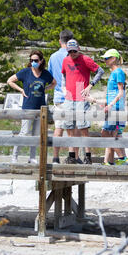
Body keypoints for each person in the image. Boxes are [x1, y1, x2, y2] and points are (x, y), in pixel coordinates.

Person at [7, 50, 56, 163]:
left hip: (41, 108)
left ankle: (32, 157)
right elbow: (10, 81)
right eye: (32, 60)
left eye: (36, 60)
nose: (33, 62)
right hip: (27, 107)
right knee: (24, 132)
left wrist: (46, 89)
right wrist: (21, 90)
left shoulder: (45, 73)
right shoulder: (25, 72)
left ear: (41, 61)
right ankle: (14, 156)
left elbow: (54, 82)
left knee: (36, 134)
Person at [61, 39, 104, 164]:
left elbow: (100, 71)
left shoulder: (85, 59)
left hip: (81, 92)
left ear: (78, 49)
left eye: (74, 51)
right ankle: (72, 156)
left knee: (83, 126)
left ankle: (88, 155)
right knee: (69, 126)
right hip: (69, 95)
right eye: (70, 51)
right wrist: (63, 88)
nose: (72, 53)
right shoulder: (66, 60)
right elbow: (63, 75)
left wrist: (90, 85)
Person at [99, 49, 128, 166]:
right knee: (113, 134)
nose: (105, 60)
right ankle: (109, 162)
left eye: (107, 58)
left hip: (116, 108)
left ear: (113, 59)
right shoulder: (113, 73)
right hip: (113, 107)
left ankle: (122, 158)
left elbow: (121, 92)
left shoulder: (118, 72)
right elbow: (112, 92)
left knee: (105, 133)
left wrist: (111, 104)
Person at [48, 29, 74, 164]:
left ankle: (55, 158)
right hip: (71, 96)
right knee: (71, 129)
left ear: (60, 41)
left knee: (58, 128)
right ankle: (72, 157)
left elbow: (50, 77)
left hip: (58, 96)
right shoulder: (74, 55)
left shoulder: (53, 57)